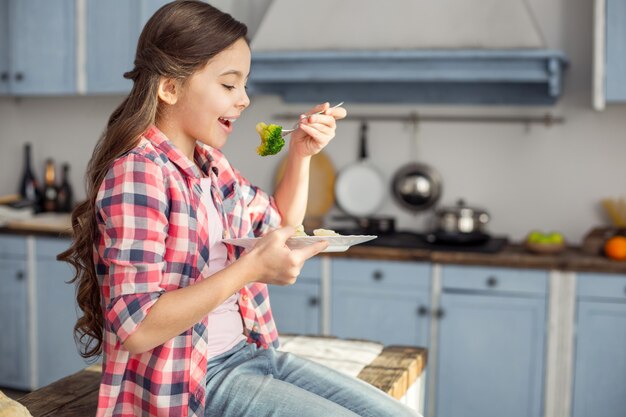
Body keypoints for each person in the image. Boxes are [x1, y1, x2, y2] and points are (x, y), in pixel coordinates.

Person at [59, 1, 421, 416]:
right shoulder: (139, 174)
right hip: (193, 380)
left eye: (245, 85)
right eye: (229, 85)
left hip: (252, 354)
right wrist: (250, 269)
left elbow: (282, 223)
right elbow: (136, 328)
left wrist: (300, 155)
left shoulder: (212, 167)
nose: (245, 99)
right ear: (170, 88)